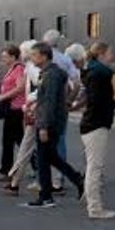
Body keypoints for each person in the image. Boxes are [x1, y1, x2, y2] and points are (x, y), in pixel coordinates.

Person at [24, 42, 84, 209]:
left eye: (34, 55)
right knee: (50, 157)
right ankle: (77, 180)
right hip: (53, 120)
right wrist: (36, 107)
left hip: (49, 122)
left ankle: (46, 196)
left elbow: (49, 102)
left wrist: (43, 126)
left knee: (44, 159)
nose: (31, 58)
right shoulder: (52, 73)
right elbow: (48, 99)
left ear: (44, 56)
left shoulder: (50, 75)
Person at [81, 41, 115, 219]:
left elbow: (95, 99)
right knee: (95, 167)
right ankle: (95, 208)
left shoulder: (91, 72)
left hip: (91, 123)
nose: (112, 56)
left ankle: (90, 199)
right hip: (96, 124)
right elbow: (98, 101)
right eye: (109, 53)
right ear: (101, 55)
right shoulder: (101, 75)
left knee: (92, 165)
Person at [0, 40, 41, 195]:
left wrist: (28, 102)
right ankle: (13, 180)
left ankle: (15, 178)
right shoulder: (27, 68)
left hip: (25, 109)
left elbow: (26, 88)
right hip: (26, 110)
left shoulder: (27, 69)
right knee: (22, 144)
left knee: (24, 144)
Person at [41, 30, 78, 191]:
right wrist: (69, 101)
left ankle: (44, 181)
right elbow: (77, 81)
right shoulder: (65, 59)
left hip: (46, 107)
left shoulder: (42, 60)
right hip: (61, 107)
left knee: (43, 144)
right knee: (60, 141)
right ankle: (59, 179)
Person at [0, 45, 26, 180]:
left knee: (10, 140)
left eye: (5, 56)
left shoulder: (18, 69)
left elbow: (20, 87)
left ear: (13, 57)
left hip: (15, 108)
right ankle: (36, 165)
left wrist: (3, 97)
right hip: (12, 109)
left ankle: (5, 171)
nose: (3, 59)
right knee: (18, 140)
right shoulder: (13, 69)